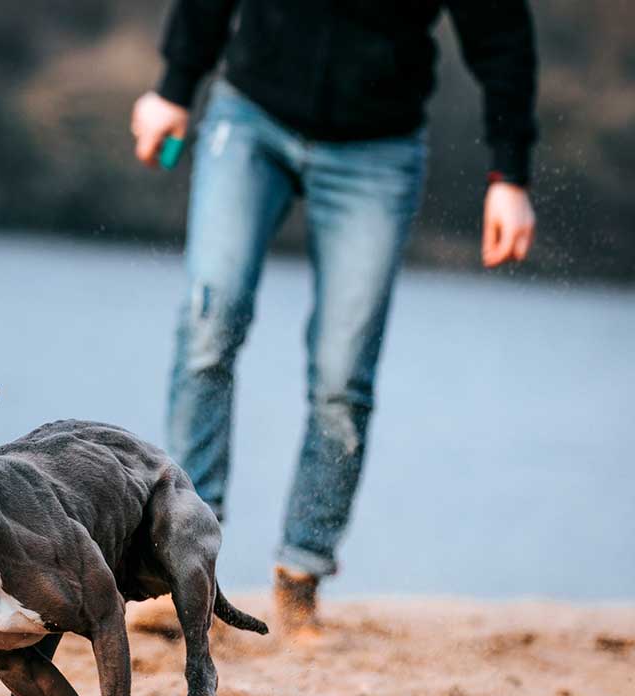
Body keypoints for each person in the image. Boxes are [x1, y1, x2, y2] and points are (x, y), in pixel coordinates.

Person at [131, 1, 538, 637]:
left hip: (377, 150)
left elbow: (503, 34)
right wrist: (175, 86)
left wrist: (509, 174)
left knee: (344, 375)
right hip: (252, 116)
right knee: (210, 324)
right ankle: (182, 557)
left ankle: (302, 570)